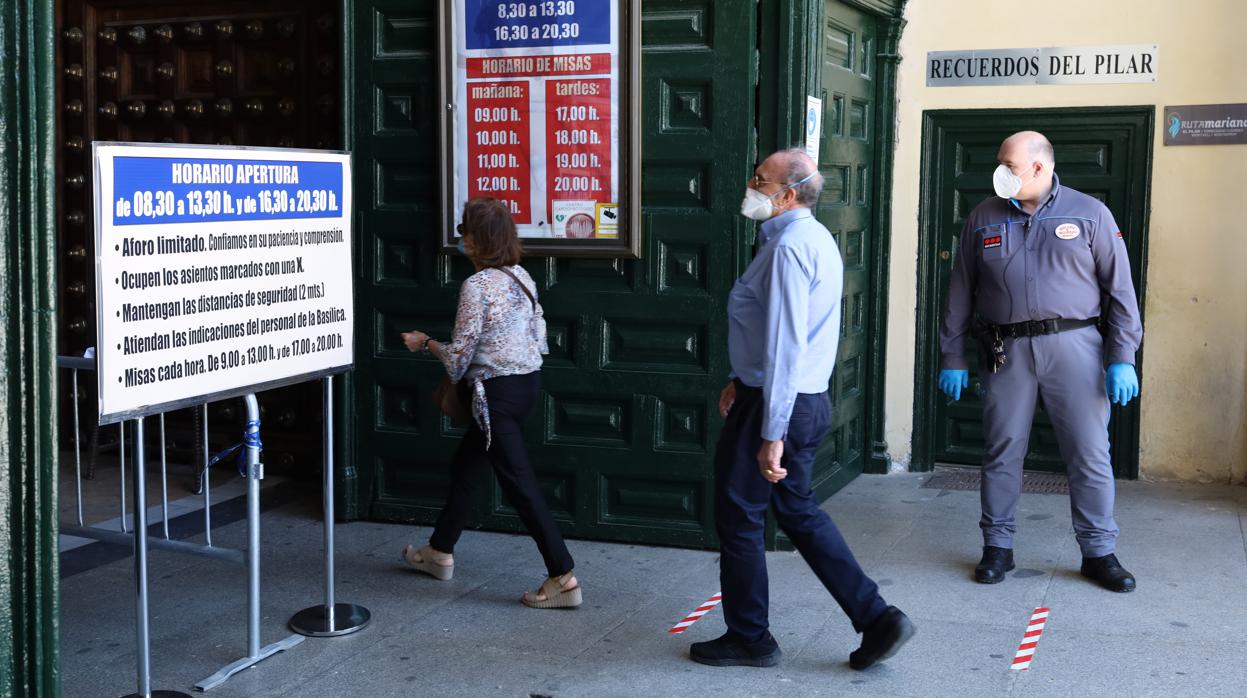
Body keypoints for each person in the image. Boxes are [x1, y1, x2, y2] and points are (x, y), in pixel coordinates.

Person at [690, 149, 914, 670]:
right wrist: (737, 380)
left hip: (778, 404)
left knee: (740, 517)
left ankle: (750, 638)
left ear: (788, 193)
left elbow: (787, 343)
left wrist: (771, 429)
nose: (751, 183)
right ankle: (877, 617)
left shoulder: (789, 247)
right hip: (795, 398)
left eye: (761, 178)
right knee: (796, 511)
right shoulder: (810, 239)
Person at [938, 131, 1142, 592]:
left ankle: (1098, 552)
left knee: (1089, 452)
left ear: (1038, 167)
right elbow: (959, 292)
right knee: (1001, 449)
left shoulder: (1090, 212)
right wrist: (953, 354)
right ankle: (997, 548)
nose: (1000, 172)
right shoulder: (983, 217)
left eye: (1008, 165)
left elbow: (1121, 293)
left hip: (1076, 346)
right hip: (1004, 350)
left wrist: (1122, 356)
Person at [399, 197, 582, 609]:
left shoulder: (477, 286)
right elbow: (540, 340)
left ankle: (563, 576)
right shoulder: (522, 277)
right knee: (467, 465)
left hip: (494, 397)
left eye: (465, 231)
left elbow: (459, 357)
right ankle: (439, 551)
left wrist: (424, 342)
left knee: (519, 483)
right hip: (526, 388)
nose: (461, 238)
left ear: (478, 239)